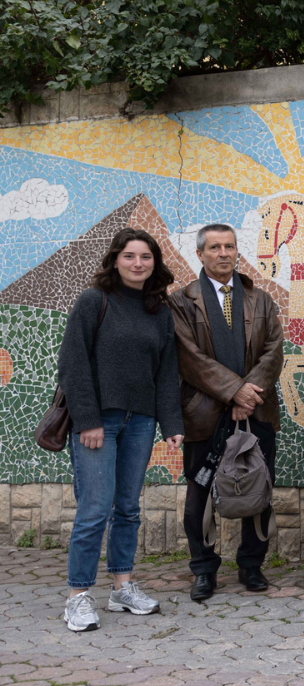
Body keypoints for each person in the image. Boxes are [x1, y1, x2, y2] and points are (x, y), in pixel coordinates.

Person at [57, 228, 184, 632]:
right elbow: (72, 363)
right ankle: (78, 596)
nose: (137, 263)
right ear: (115, 260)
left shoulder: (158, 310)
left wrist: (172, 425)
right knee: (94, 509)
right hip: (100, 421)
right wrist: (88, 420)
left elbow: (166, 373)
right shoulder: (94, 301)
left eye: (145, 257)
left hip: (141, 421)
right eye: (129, 256)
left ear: (154, 263)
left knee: (128, 508)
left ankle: (121, 587)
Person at [171, 223, 284, 602]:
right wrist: (235, 391)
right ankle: (204, 570)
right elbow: (189, 357)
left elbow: (274, 350)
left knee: (258, 487)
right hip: (205, 413)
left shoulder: (260, 298)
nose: (223, 253)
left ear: (237, 251)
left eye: (230, 247)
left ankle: (252, 566)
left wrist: (247, 395)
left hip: (258, 409)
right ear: (200, 254)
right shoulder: (183, 301)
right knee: (199, 493)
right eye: (215, 247)